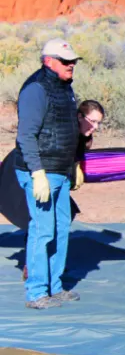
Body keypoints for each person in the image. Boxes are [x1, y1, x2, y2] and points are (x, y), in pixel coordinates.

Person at [2, 99, 105, 282]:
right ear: (79, 116)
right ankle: (34, 269)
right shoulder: (64, 131)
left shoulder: (82, 136)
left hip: (47, 173)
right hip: (25, 167)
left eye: (99, 122)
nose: (95, 127)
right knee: (37, 218)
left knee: (55, 217)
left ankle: (45, 264)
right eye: (93, 121)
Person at [14, 38, 83, 309]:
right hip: (40, 172)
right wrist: (37, 173)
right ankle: (36, 292)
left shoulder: (65, 88)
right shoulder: (36, 89)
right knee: (42, 230)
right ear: (49, 61)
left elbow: (67, 129)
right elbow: (26, 135)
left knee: (61, 228)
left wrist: (73, 164)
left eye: (73, 62)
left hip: (61, 170)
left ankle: (54, 285)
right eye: (66, 62)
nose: (71, 66)